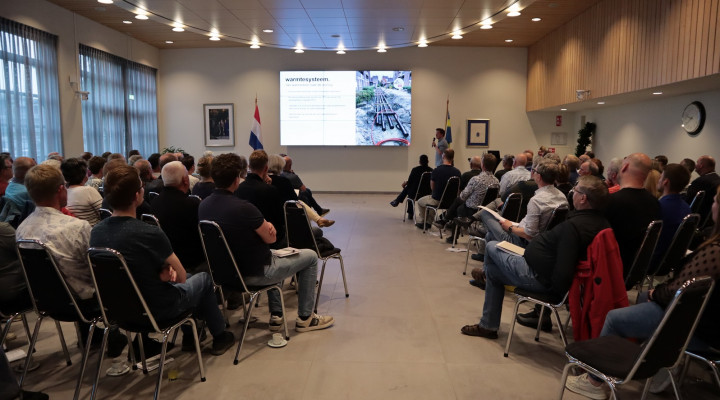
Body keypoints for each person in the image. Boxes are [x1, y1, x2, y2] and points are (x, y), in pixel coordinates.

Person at [564, 186, 720, 400]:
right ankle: (652, 360)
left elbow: (679, 292)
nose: (712, 204)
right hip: (706, 323)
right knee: (643, 298)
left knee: (615, 318)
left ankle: (595, 381)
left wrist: (656, 294)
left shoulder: (715, 252)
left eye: (716, 201)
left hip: (698, 329)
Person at [90, 164, 235, 355]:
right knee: (203, 279)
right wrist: (165, 273)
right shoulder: (149, 232)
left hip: (119, 310)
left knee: (190, 279)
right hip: (158, 308)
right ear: (136, 195)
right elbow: (180, 278)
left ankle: (193, 334)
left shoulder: (96, 232)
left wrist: (160, 273)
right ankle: (219, 336)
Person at [461, 176, 611, 339]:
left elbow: (563, 272)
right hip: (539, 269)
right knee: (492, 271)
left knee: (491, 245)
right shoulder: (602, 224)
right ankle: (488, 326)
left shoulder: (574, 227)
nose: (573, 192)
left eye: (576, 190)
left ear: (583, 198)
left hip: (540, 277)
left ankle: (488, 321)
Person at [198, 153, 334, 333]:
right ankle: (306, 318)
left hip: (225, 275)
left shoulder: (203, 205)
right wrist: (267, 228)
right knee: (310, 256)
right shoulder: (244, 208)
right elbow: (272, 238)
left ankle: (277, 315)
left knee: (273, 254)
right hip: (254, 273)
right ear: (237, 179)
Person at [15, 164, 95, 300]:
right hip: (84, 300)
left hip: (46, 301)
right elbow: (96, 267)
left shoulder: (21, 229)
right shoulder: (78, 227)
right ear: (61, 189)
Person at [472, 159, 568, 262]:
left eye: (534, 171)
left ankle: (474, 223)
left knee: (485, 213)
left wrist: (510, 227)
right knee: (490, 235)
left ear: (539, 177)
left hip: (523, 242)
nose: (533, 172)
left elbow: (529, 234)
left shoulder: (537, 200)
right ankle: (485, 270)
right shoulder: (562, 197)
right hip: (544, 241)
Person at [604, 153, 661, 285]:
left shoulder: (611, 201)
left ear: (625, 167)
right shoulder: (654, 202)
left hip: (610, 269)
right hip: (636, 270)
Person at [151, 161, 205, 272]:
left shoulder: (154, 201)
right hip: (190, 261)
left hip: (165, 257)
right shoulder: (191, 204)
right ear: (185, 180)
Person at [236, 150, 287, 248]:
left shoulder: (239, 188)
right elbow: (281, 220)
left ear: (249, 167)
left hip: (246, 240)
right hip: (271, 242)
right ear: (266, 168)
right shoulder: (271, 190)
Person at [415, 149, 461, 229]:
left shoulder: (436, 170)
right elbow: (458, 189)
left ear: (443, 156)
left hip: (438, 200)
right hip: (451, 202)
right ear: (453, 158)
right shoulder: (457, 172)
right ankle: (429, 222)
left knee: (420, 201)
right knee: (432, 199)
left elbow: (432, 188)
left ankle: (425, 222)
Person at [61, 158, 103, 226]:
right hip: (92, 229)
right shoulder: (89, 191)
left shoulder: (63, 193)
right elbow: (103, 213)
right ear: (85, 176)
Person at [685, 155, 720, 227]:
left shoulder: (700, 182)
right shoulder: (717, 179)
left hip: (698, 223)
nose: (695, 166)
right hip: (712, 223)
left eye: (697, 163)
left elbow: (687, 203)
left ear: (701, 165)